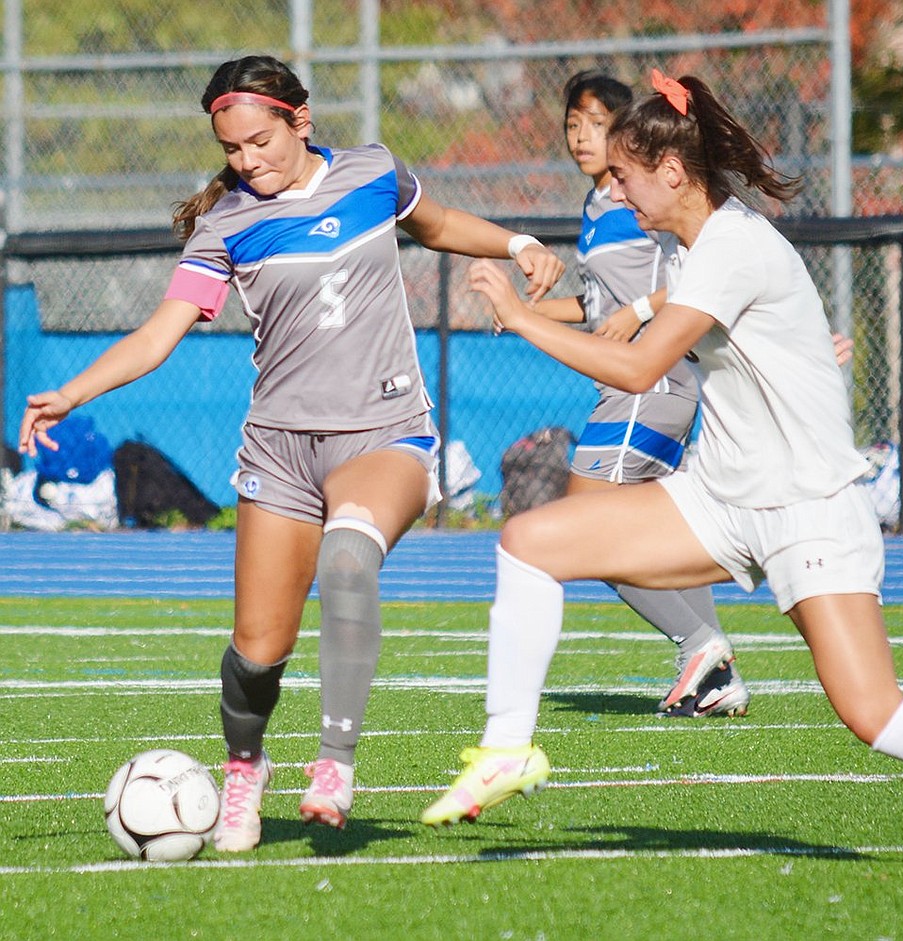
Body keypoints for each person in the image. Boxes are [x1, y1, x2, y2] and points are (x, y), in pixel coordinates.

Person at [418, 69, 903, 880]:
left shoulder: (732, 246)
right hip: (720, 496)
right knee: (530, 538)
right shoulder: (694, 237)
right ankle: (505, 749)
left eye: (626, 177)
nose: (617, 190)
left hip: (807, 508)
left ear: (672, 173)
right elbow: (679, 310)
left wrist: (524, 318)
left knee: (874, 712)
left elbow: (639, 372)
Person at [18, 54, 565, 853]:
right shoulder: (227, 225)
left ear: (300, 120)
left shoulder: (374, 172)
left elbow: (439, 226)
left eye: (260, 141)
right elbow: (158, 334)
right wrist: (73, 390)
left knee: (349, 560)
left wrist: (518, 242)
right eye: (232, 149)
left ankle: (334, 763)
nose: (247, 161)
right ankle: (244, 768)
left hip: (383, 434)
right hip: (279, 454)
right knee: (256, 652)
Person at [531, 69, 748, 718]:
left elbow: (692, 263)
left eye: (595, 124)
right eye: (572, 124)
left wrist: (641, 306)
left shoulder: (638, 200)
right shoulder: (599, 207)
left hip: (648, 382)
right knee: (664, 529)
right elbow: (602, 307)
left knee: (588, 527)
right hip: (643, 385)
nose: (580, 136)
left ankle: (699, 642)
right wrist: (526, 313)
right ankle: (714, 668)